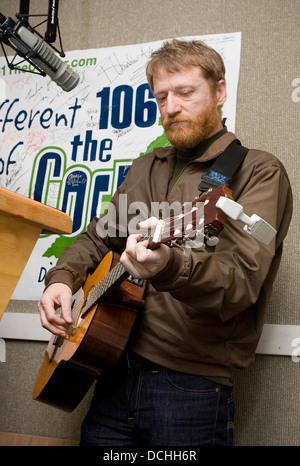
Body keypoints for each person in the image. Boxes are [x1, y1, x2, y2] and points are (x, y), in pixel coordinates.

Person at [38, 39, 293, 446]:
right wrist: (62, 278)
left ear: (220, 91)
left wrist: (170, 266)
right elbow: (98, 237)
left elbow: (240, 283)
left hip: (189, 388)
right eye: (161, 97)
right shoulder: (146, 166)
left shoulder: (258, 172)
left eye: (185, 92)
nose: (171, 107)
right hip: (110, 370)